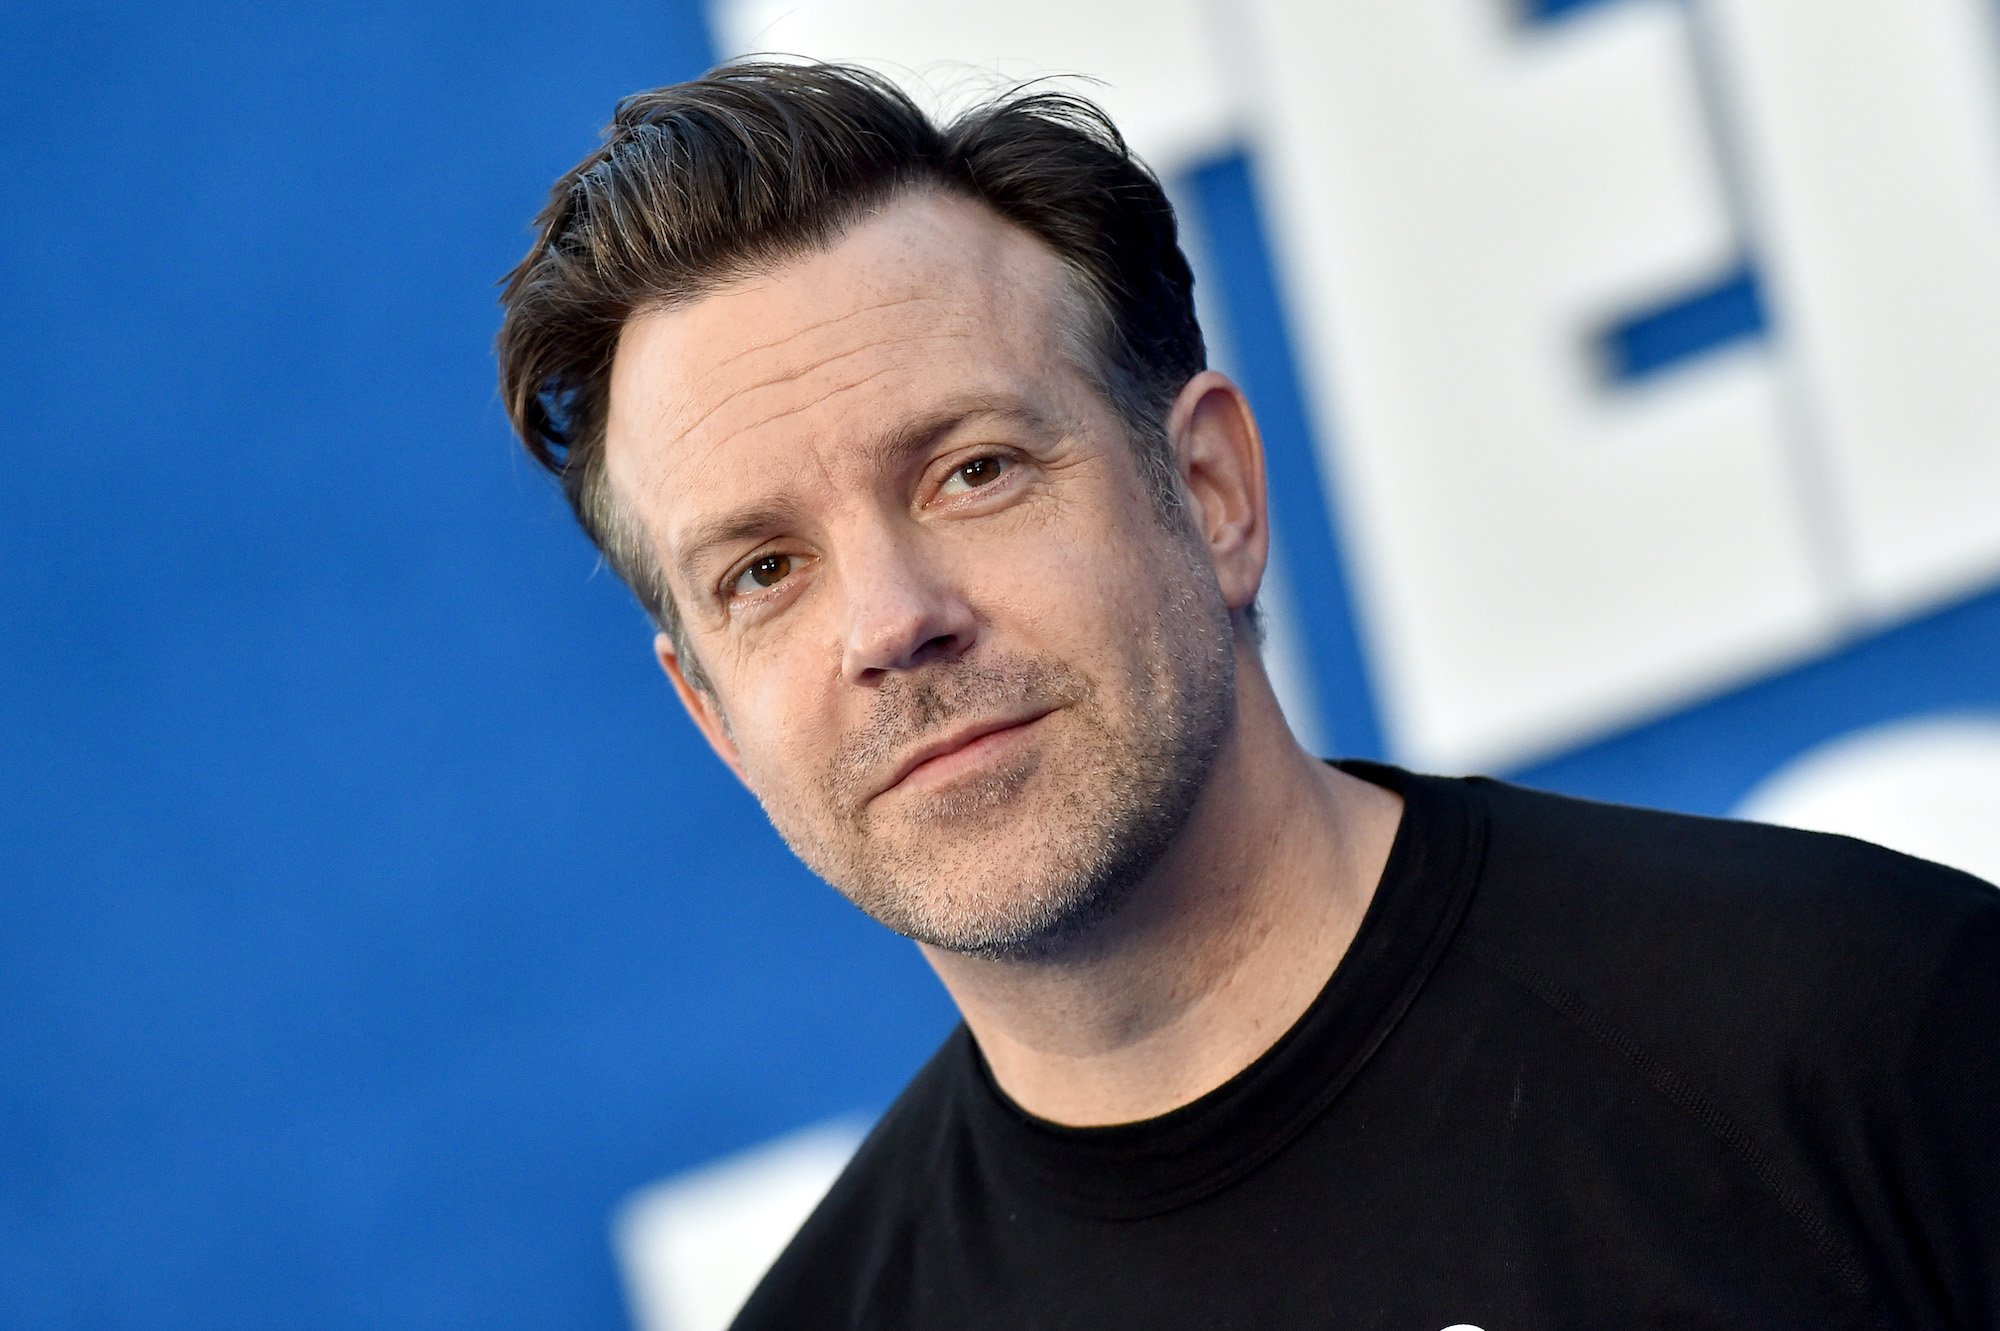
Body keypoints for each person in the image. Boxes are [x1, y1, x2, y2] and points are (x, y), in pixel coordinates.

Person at [497, 62, 1998, 1330]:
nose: (893, 621)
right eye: (764, 572)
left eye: (972, 471)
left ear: (1210, 491)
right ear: (714, 718)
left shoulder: (1863, 1025)